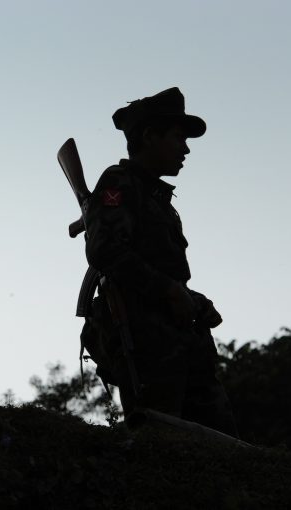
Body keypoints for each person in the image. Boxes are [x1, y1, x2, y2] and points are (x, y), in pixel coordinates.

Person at [81, 87, 237, 436]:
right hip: (149, 347)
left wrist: (193, 299)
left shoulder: (157, 200)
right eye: (178, 137)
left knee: (219, 445)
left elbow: (160, 272)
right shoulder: (119, 184)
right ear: (150, 136)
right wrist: (168, 290)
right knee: (160, 442)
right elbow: (105, 251)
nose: (186, 148)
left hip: (181, 345)